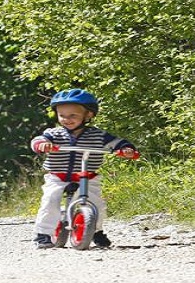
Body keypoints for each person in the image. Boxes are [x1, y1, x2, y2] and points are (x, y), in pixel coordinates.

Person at [30, 89, 139, 249]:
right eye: (62, 116)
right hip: (58, 176)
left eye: (72, 115)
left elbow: (118, 143)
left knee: (97, 204)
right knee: (50, 201)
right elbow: (38, 140)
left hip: (88, 176)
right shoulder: (54, 134)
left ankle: (96, 231)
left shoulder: (98, 135)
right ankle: (43, 234)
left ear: (88, 115)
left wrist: (126, 149)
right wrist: (42, 145)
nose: (66, 119)